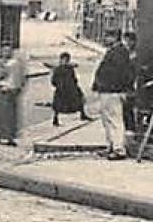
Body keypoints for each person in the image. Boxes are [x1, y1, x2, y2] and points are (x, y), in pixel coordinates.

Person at [91, 32, 136, 160]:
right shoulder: (119, 52)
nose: (105, 39)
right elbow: (124, 73)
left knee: (111, 121)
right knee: (112, 121)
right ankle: (115, 148)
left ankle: (115, 148)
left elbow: (114, 72)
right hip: (110, 91)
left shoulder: (116, 52)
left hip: (109, 91)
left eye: (108, 36)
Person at [0, 50, 28, 145]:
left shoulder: (9, 65)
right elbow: (23, 80)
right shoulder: (19, 64)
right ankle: (10, 137)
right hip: (14, 90)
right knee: (11, 116)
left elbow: (1, 75)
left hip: (4, 90)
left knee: (0, 116)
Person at [46, 52, 89, 126]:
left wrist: (75, 85)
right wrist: (59, 85)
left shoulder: (68, 69)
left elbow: (74, 79)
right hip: (63, 89)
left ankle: (83, 114)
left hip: (70, 88)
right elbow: (54, 81)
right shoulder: (59, 69)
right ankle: (55, 119)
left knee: (78, 100)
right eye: (64, 59)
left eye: (66, 60)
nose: (65, 61)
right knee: (58, 104)